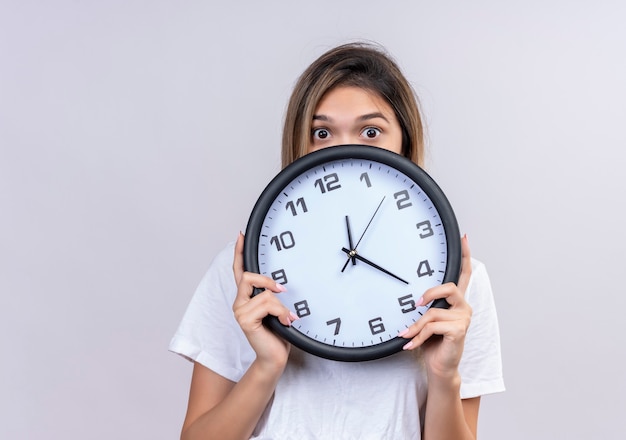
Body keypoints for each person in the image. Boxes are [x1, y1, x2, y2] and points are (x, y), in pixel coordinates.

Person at [169, 42, 505, 440]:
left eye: (371, 131)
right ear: (301, 144)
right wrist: (268, 365)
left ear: (405, 143)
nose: (346, 150)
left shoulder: (458, 285)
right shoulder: (244, 274)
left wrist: (444, 373)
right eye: (322, 132)